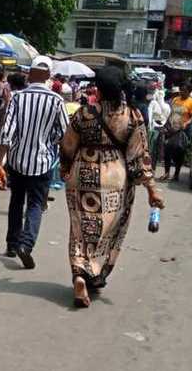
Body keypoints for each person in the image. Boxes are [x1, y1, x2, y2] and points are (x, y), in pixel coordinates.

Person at [60, 67, 165, 308]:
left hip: (81, 175)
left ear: (99, 88)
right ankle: (95, 272)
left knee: (80, 228)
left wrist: (65, 168)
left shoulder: (84, 113)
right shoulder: (132, 115)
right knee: (108, 229)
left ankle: (79, 273)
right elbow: (139, 157)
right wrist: (151, 189)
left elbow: (67, 145)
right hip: (115, 178)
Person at [0, 55, 68, 269]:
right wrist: (53, 144)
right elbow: (64, 133)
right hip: (43, 162)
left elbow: (7, 133)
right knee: (36, 204)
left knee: (16, 201)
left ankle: (12, 244)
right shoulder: (56, 101)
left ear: (30, 73)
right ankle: (26, 244)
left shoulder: (17, 98)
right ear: (48, 75)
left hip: (17, 160)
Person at [160, 83, 192, 181]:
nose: (182, 92)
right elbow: (171, 113)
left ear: (189, 92)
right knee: (167, 150)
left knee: (179, 152)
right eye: (181, 90)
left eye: (184, 91)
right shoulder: (175, 100)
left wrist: (187, 123)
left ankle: (176, 174)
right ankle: (166, 173)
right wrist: (167, 124)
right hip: (172, 129)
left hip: (183, 131)